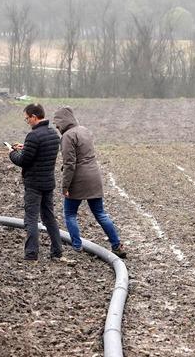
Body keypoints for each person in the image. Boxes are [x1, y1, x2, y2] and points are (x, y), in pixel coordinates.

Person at [52, 106, 126, 258]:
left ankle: (77, 246)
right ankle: (116, 244)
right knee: (100, 213)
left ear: (63, 121)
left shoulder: (67, 136)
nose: (57, 127)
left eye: (57, 123)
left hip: (79, 179)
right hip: (94, 176)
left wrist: (65, 186)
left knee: (70, 213)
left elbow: (69, 164)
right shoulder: (85, 130)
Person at [8, 103, 64, 261]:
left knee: (31, 219)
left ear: (34, 117)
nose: (27, 122)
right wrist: (26, 147)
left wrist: (12, 153)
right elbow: (42, 153)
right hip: (48, 183)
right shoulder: (53, 134)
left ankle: (31, 254)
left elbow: (24, 160)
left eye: (27, 119)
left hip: (34, 185)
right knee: (49, 218)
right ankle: (57, 251)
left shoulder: (33, 136)